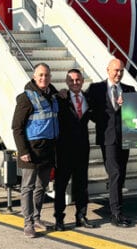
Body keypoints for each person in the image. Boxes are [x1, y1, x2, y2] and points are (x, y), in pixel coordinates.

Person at [11, 63, 59, 238]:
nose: (43, 78)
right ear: (34, 77)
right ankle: (28, 223)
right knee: (28, 187)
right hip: (31, 150)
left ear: (50, 77)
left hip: (48, 148)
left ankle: (37, 218)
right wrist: (23, 150)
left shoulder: (52, 96)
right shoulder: (26, 98)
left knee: (41, 186)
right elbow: (17, 127)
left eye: (46, 75)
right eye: (40, 75)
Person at [87, 58, 136, 228]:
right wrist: (104, 118)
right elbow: (89, 110)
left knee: (120, 174)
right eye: (116, 70)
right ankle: (116, 213)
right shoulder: (96, 89)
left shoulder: (129, 90)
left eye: (121, 71)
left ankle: (115, 204)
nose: (119, 74)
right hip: (107, 138)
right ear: (108, 70)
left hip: (125, 138)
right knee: (115, 173)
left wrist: (126, 107)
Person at [53, 68, 97, 231]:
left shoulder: (88, 98)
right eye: (71, 80)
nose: (75, 83)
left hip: (82, 148)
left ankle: (81, 216)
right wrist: (59, 92)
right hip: (64, 149)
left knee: (81, 184)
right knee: (61, 185)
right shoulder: (60, 98)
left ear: (82, 81)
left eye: (78, 80)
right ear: (66, 82)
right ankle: (59, 219)